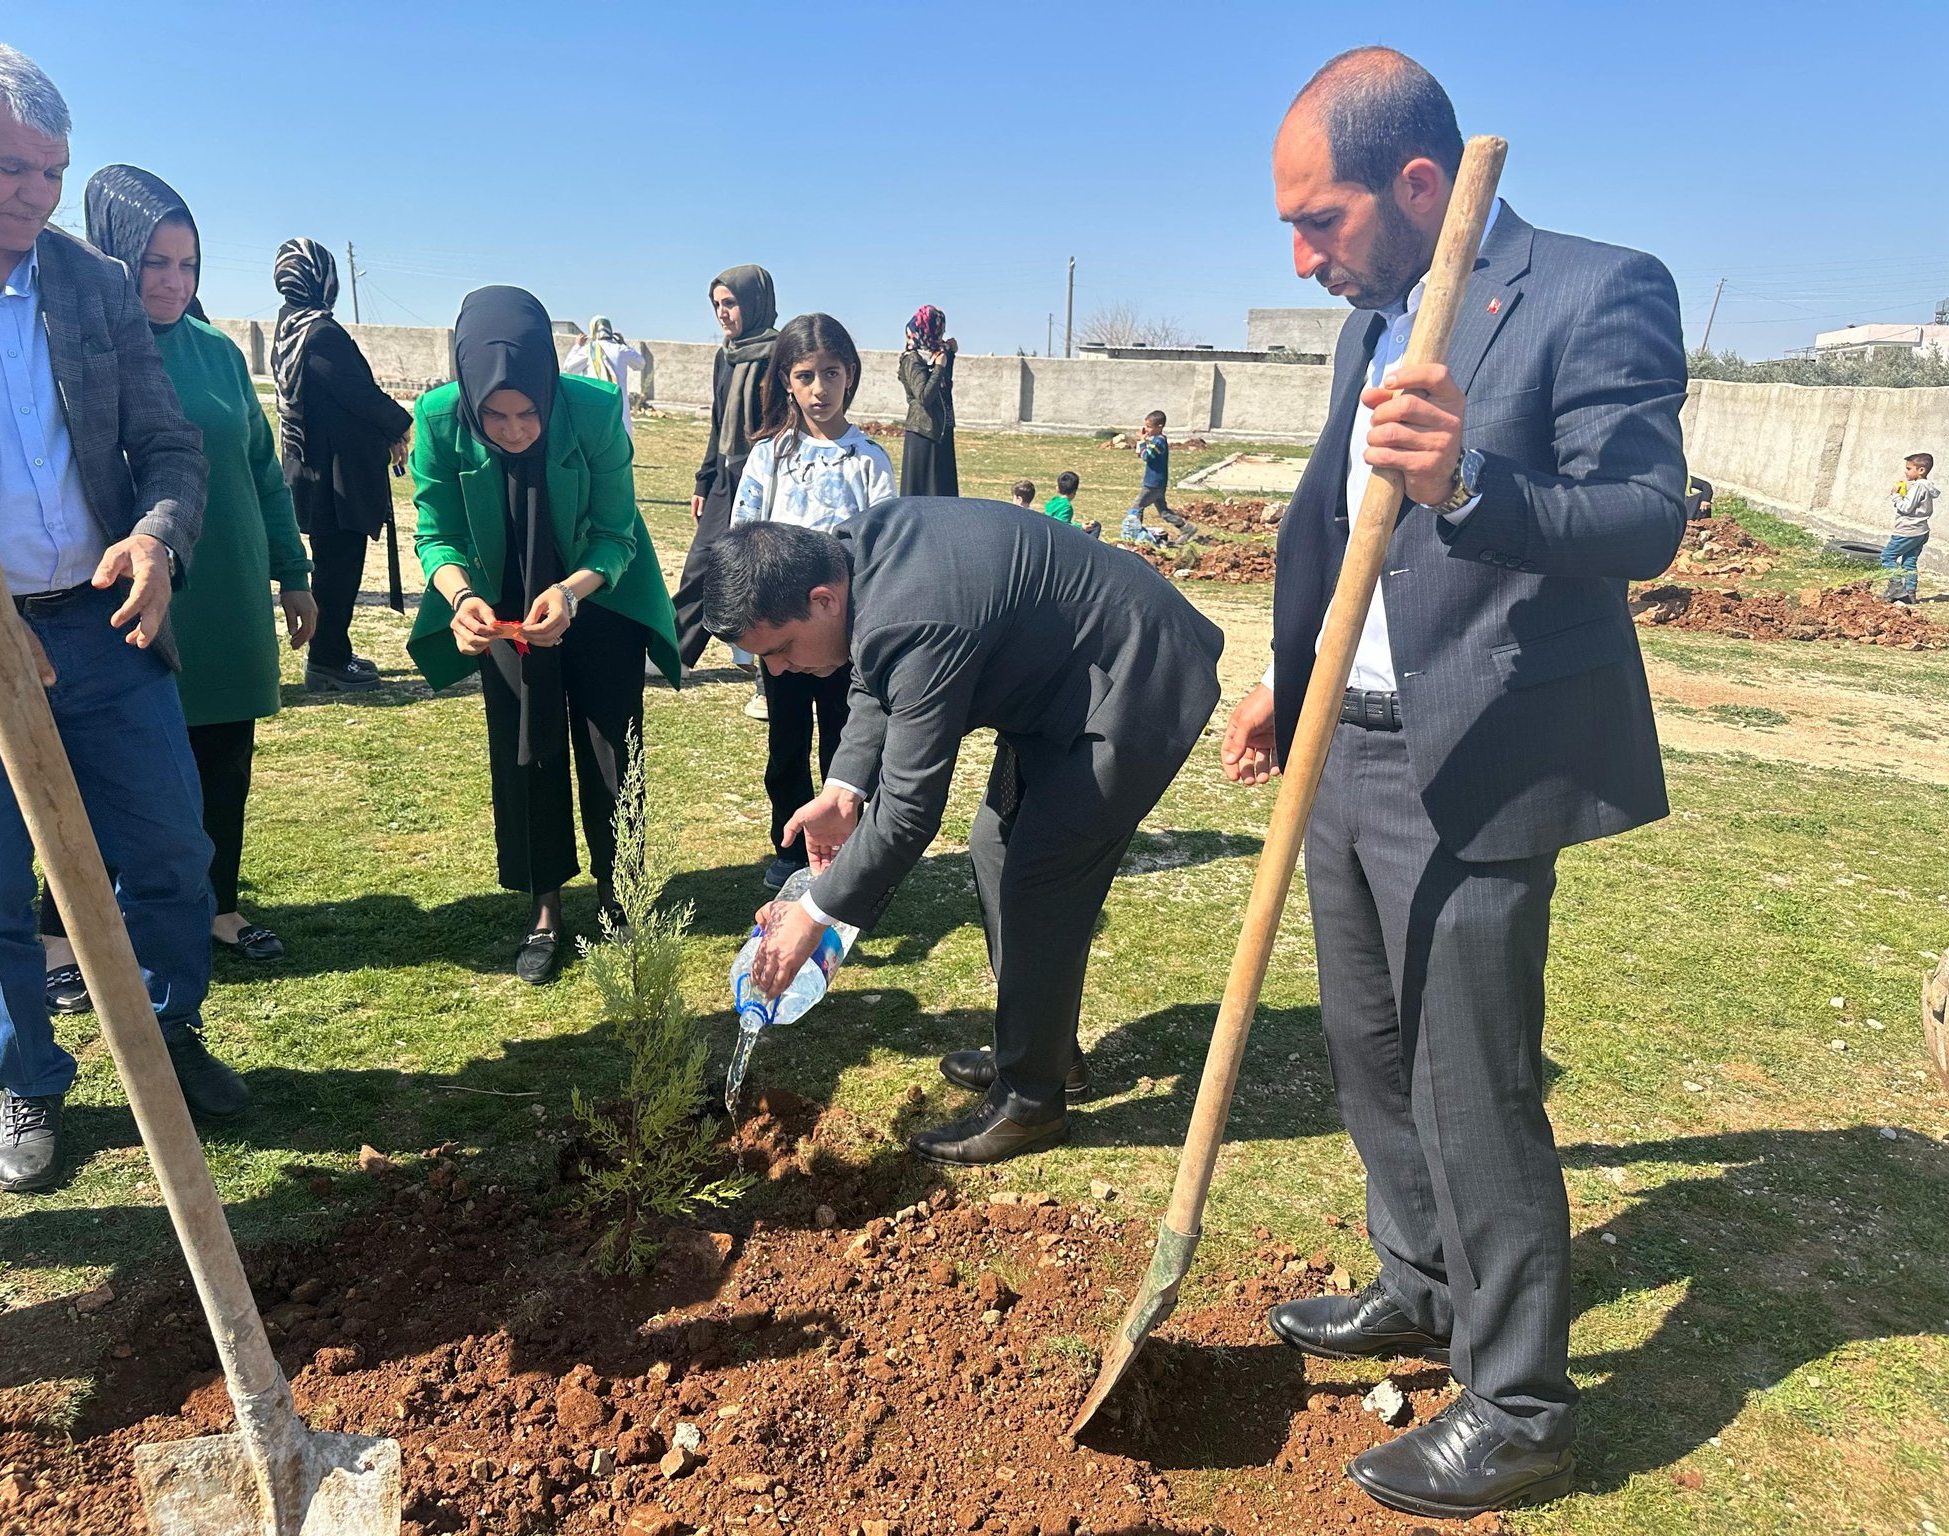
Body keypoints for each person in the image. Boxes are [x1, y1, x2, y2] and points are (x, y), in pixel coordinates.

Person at [1221, 48, 1687, 1518]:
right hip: (1343, 751)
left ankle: (1524, 1405)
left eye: (1324, 221)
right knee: (1365, 1046)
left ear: (1419, 185)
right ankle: (1419, 1283)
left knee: (1470, 1081)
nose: (1302, 257)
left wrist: (1474, 485)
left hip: (1477, 758)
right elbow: (1330, 525)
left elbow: (1644, 515)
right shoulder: (1372, 323)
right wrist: (1293, 684)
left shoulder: (1597, 288)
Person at [0, 38, 249, 1194]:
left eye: (53, 173)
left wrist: (155, 537)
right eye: (10, 170)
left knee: (165, 850)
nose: (38, 197)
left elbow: (168, 446)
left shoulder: (92, 284)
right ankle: (26, 1081)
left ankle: (164, 1037)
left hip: (101, 626)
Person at [705, 507, 1223, 1165]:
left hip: (1134, 681)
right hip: (1063, 681)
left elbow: (910, 815)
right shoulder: (853, 558)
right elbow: (872, 671)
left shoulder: (916, 612)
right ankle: (1044, 1052)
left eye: (777, 650)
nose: (775, 671)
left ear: (821, 599)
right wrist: (843, 789)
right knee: (995, 846)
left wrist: (814, 915)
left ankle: (1031, 1102)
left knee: (1039, 879)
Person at [29, 167, 320, 1010]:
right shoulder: (77, 346)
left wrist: (292, 572)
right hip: (124, 592)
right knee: (106, 766)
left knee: (223, 753)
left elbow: (261, 468)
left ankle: (219, 906)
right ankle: (67, 931)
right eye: (155, 261)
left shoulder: (219, 352)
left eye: (188, 264)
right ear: (115, 254)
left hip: (222, 586)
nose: (172, 281)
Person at [407, 287, 680, 984]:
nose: (514, 429)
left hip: (597, 591)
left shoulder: (591, 407)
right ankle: (545, 909)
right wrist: (461, 597)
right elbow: (436, 534)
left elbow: (617, 532)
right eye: (494, 415)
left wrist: (568, 592)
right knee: (526, 751)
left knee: (611, 747)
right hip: (501, 602)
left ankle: (622, 900)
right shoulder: (437, 420)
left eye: (529, 412)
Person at [730, 314, 895, 890]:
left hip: (844, 635)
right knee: (786, 742)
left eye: (831, 373)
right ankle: (789, 840)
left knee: (847, 742)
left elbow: (884, 548)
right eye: (805, 375)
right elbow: (743, 537)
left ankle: (844, 847)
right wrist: (750, 631)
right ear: (786, 382)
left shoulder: (870, 459)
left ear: (850, 376)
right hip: (781, 632)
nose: (819, 388)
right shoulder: (769, 457)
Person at [270, 236, 411, 693]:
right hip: (336, 476)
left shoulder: (289, 326)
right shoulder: (321, 333)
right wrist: (401, 425)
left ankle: (333, 649)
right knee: (339, 567)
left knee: (333, 565)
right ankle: (328, 659)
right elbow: (359, 395)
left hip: (310, 465)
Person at [671, 265, 778, 669]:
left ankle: (754, 654)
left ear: (754, 302)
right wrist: (704, 480)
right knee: (702, 560)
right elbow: (719, 425)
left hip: (766, 475)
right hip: (726, 476)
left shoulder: (781, 354)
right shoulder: (726, 356)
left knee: (759, 566)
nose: (722, 312)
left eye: (730, 302)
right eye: (717, 304)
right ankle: (677, 650)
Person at [896, 305, 958, 496]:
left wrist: (949, 355)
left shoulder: (932, 356)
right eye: (939, 330)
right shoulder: (912, 360)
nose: (942, 334)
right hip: (924, 434)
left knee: (942, 493)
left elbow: (944, 388)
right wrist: (939, 367)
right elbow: (924, 396)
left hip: (940, 431)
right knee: (925, 493)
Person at [561, 315, 649, 439]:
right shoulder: (620, 349)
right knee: (620, 439)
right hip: (617, 403)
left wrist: (577, 346)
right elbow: (640, 363)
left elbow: (569, 367)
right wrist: (624, 344)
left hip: (594, 402)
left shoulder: (587, 350)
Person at [1130, 410, 1199, 540]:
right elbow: (1141, 453)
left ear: (1160, 427)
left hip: (1153, 483)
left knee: (1137, 507)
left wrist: (1143, 441)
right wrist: (1143, 442)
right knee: (1163, 511)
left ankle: (1134, 533)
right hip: (1158, 482)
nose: (1147, 429)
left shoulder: (1158, 442)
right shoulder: (1156, 440)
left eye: (1150, 427)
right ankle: (1186, 528)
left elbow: (1146, 456)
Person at [1882, 452, 1934, 605]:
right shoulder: (1926, 487)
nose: (1906, 472)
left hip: (1907, 531)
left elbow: (1906, 507)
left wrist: (1896, 496)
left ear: (1921, 470)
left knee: (1887, 557)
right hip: (1921, 531)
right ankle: (1910, 593)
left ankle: (1896, 588)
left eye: (1909, 468)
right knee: (1909, 561)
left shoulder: (1918, 487)